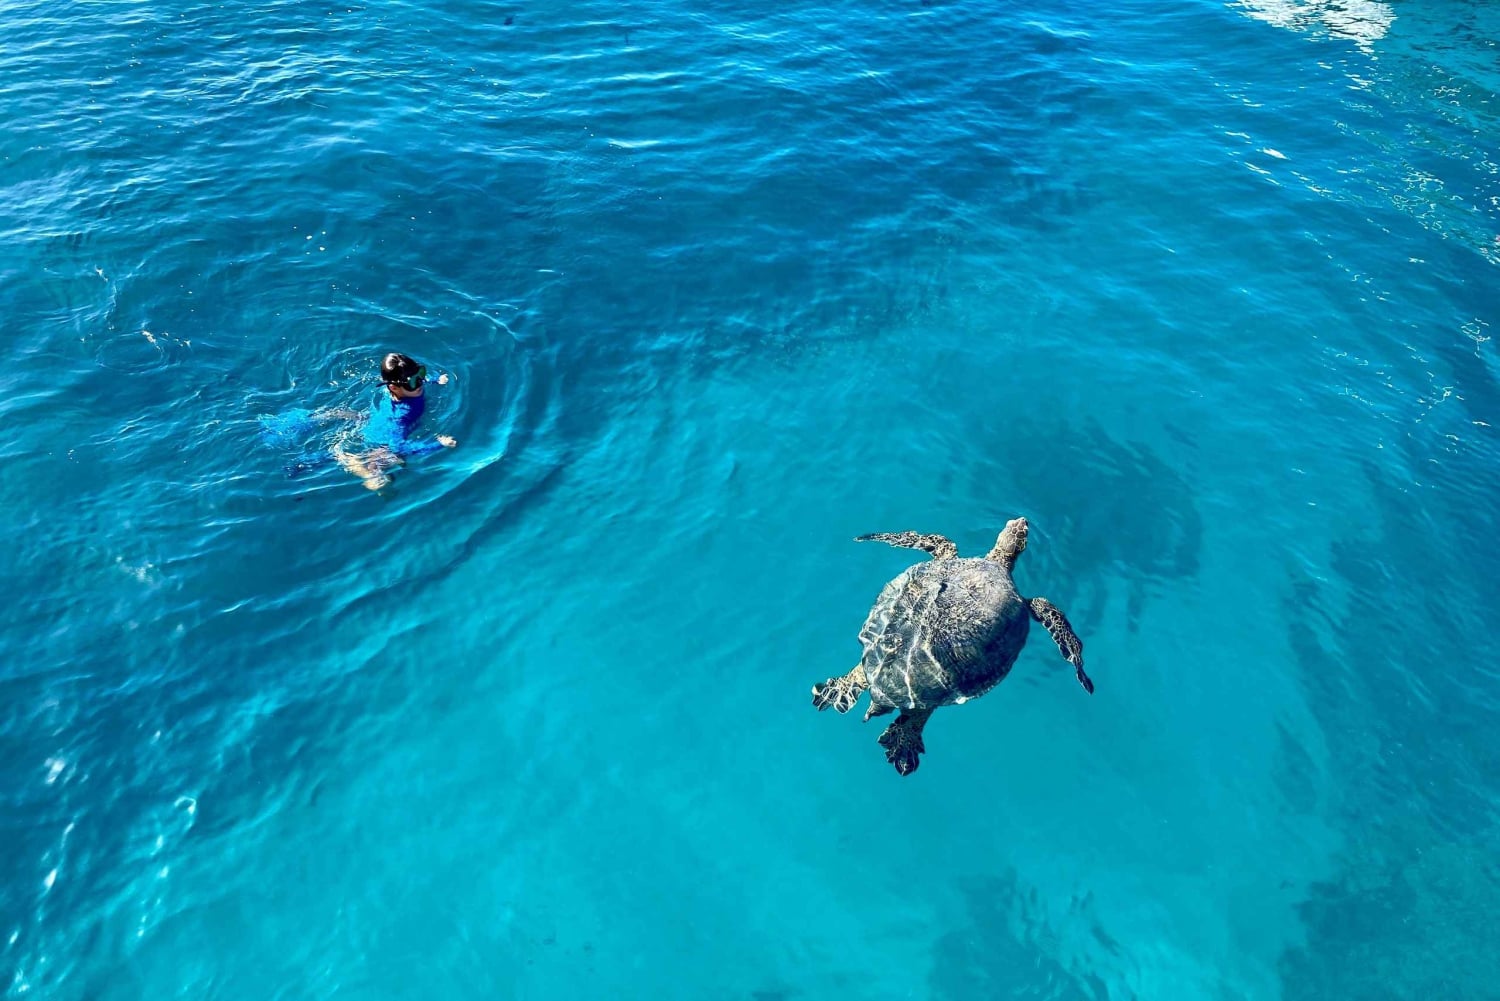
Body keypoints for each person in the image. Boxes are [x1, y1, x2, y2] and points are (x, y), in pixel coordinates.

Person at [331, 352, 458, 490]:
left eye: (421, 373)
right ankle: (365, 472)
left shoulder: (411, 384)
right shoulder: (401, 415)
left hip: (376, 424)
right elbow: (398, 446)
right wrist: (438, 444)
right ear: (393, 387)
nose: (420, 382)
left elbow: (417, 379)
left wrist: (436, 379)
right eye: (413, 382)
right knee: (384, 468)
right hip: (382, 443)